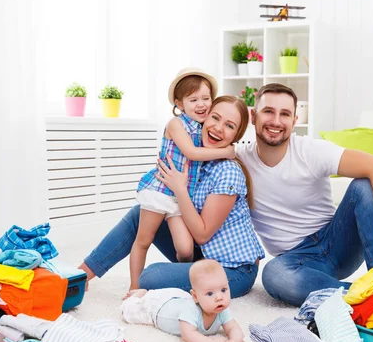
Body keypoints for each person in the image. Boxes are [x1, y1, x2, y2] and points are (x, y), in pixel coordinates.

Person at [235, 83, 373, 307]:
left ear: (294, 120)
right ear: (253, 115)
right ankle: (368, 295)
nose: (276, 121)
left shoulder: (311, 150)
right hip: (296, 260)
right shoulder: (239, 161)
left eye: (285, 114)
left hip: (337, 242)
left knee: (364, 185)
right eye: (268, 111)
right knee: (273, 275)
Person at [79, 95, 265, 298]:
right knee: (141, 214)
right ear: (205, 118)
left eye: (229, 125)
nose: (219, 128)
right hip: (202, 256)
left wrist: (179, 189)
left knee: (150, 276)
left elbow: (202, 234)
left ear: (236, 136)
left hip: (233, 271)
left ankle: (135, 284)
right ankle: (80, 275)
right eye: (215, 118)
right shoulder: (198, 160)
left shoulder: (227, 170)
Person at [128, 68, 235, 291]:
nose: (201, 104)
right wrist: (227, 152)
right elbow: (192, 153)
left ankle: (185, 282)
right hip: (160, 191)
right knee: (143, 241)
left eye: (206, 98)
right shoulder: (175, 124)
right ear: (179, 103)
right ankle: (134, 287)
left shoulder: (203, 127)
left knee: (186, 249)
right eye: (193, 99)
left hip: (180, 196)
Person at [121, 259, 244, 342]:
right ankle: (139, 295)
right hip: (158, 307)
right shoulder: (190, 309)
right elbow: (188, 336)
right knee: (128, 312)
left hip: (179, 298)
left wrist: (235, 339)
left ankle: (146, 293)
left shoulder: (221, 309)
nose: (219, 297)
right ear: (195, 296)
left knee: (182, 299)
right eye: (210, 293)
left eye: (223, 290)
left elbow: (233, 327)